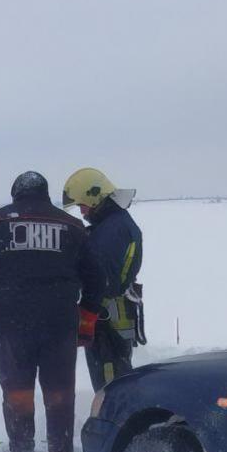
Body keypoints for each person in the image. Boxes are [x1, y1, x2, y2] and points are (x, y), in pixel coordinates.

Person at [0, 171, 102, 452]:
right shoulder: (72, 226)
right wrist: (87, 321)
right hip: (59, 325)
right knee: (59, 392)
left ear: (16, 194)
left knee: (17, 391)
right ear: (46, 195)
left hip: (11, 325)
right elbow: (95, 278)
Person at [62, 167, 145, 391]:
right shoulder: (113, 224)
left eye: (82, 205)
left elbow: (101, 279)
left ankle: (114, 422)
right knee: (115, 374)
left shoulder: (112, 230)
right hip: (112, 314)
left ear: (94, 197)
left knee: (110, 381)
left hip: (107, 317)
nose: (81, 212)